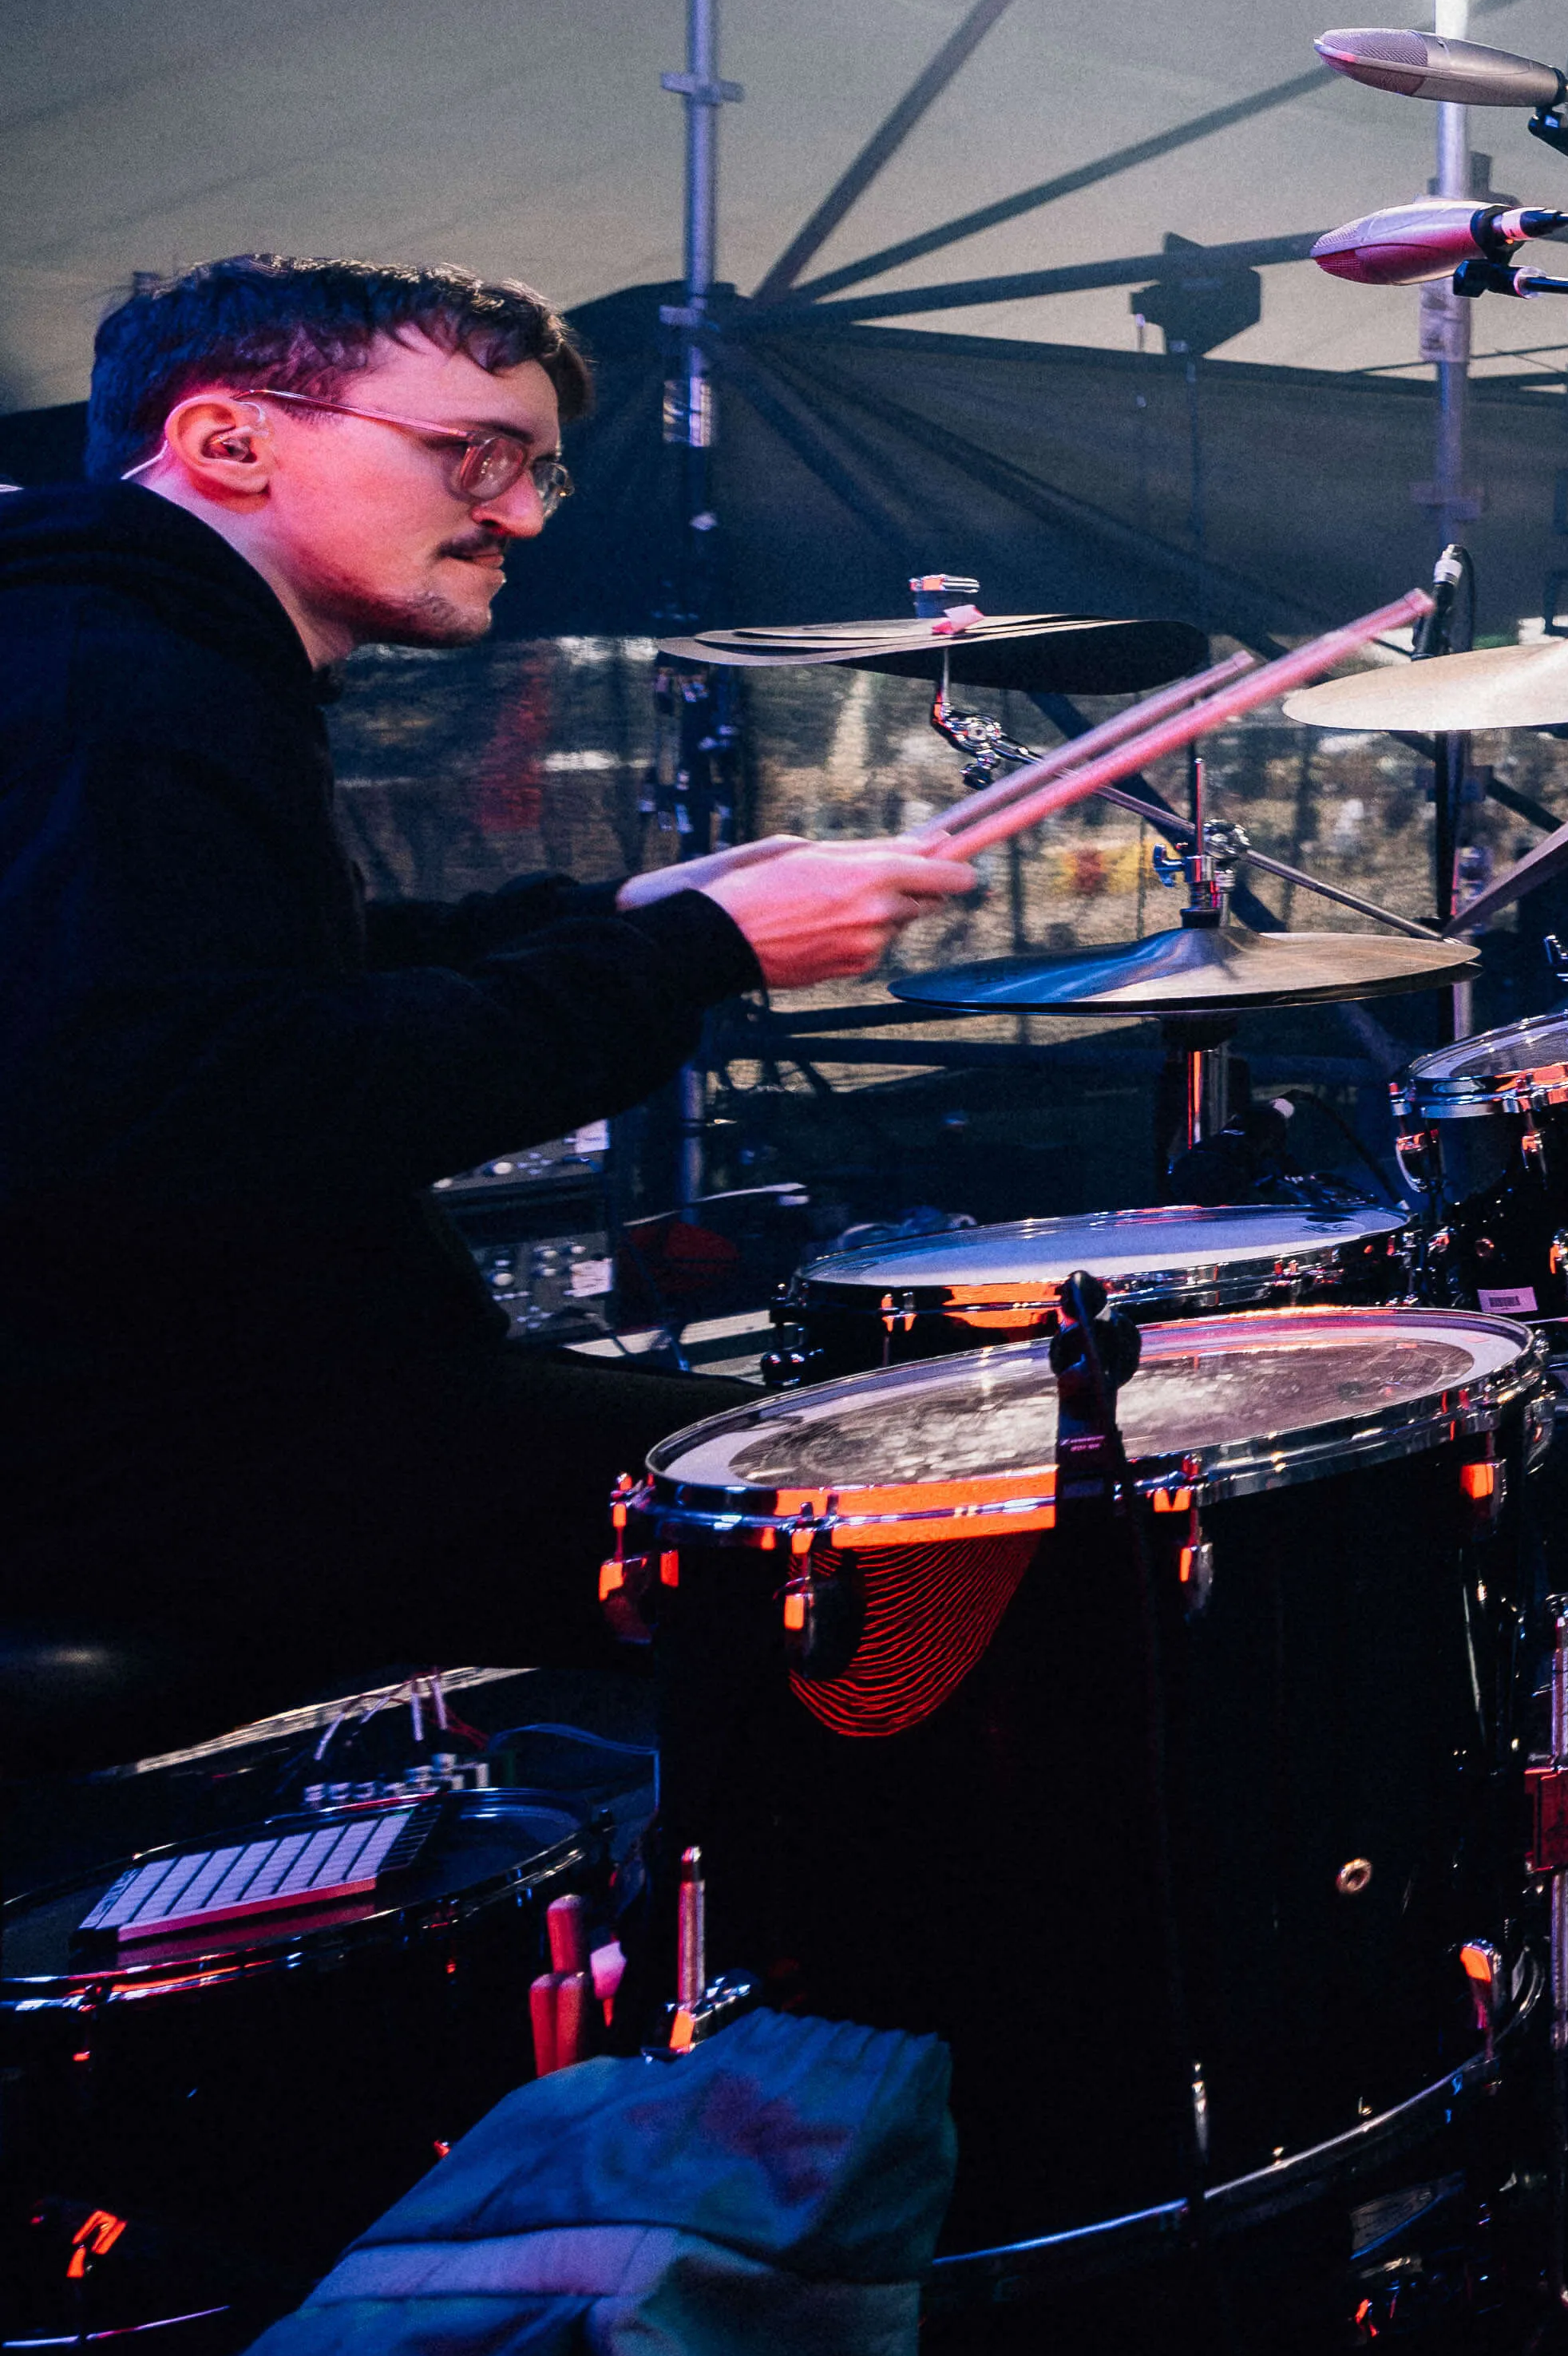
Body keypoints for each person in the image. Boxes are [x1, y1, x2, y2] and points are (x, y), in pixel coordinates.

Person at [0, 256, 979, 1712]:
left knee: (834, 1473)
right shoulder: (120, 687)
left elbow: (231, 976)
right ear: (230, 441)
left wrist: (627, 905)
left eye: (537, 473)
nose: (517, 514)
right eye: (475, 452)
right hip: (158, 1455)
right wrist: (698, 952)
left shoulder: (127, 647)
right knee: (921, 1541)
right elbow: (225, 1105)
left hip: (216, 1403)